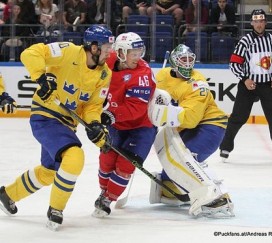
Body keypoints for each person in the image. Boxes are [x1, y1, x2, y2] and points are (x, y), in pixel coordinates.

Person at [0, 25, 114, 231]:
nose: (110, 52)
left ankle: (8, 194)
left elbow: (92, 106)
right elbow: (31, 53)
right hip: (45, 117)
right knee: (74, 157)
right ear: (94, 47)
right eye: (106, 47)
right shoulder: (68, 51)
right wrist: (42, 78)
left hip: (68, 125)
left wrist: (95, 124)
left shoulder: (105, 74)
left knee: (49, 172)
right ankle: (56, 209)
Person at [147, 44, 234, 217]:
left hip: (210, 126)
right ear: (173, 62)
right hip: (184, 128)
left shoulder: (198, 84)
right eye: (183, 60)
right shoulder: (164, 75)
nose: (187, 64)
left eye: (190, 60)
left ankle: (217, 195)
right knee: (171, 167)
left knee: (188, 160)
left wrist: (162, 113)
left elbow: (192, 119)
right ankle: (170, 190)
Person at [92, 32, 157, 217]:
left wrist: (110, 115)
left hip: (142, 127)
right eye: (133, 53)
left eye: (139, 52)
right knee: (106, 161)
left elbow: (135, 109)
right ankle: (103, 191)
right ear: (120, 53)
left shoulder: (142, 75)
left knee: (126, 164)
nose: (137, 58)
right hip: (117, 124)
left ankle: (108, 198)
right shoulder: (109, 59)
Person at [219, 9, 272, 162]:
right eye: (256, 21)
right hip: (249, 84)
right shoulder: (245, 41)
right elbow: (234, 63)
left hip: (268, 84)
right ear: (251, 23)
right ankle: (225, 147)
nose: (259, 24)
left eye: (261, 21)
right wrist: (245, 79)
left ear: (265, 22)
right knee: (238, 117)